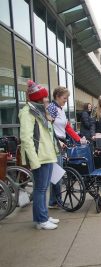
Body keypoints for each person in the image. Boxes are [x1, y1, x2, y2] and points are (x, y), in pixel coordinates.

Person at [19, 80, 59, 230]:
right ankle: (41, 220)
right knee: (40, 189)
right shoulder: (27, 112)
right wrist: (34, 160)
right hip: (39, 156)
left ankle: (42, 217)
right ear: (38, 98)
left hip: (46, 154)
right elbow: (26, 138)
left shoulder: (40, 111)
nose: (47, 100)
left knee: (42, 189)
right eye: (45, 98)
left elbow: (47, 134)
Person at [47, 86, 86, 209]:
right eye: (65, 98)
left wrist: (79, 139)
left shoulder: (60, 109)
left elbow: (67, 127)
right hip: (55, 143)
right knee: (57, 174)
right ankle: (55, 201)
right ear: (57, 96)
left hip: (61, 142)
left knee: (57, 172)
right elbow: (47, 128)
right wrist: (57, 140)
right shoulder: (52, 108)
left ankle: (54, 201)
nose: (66, 100)